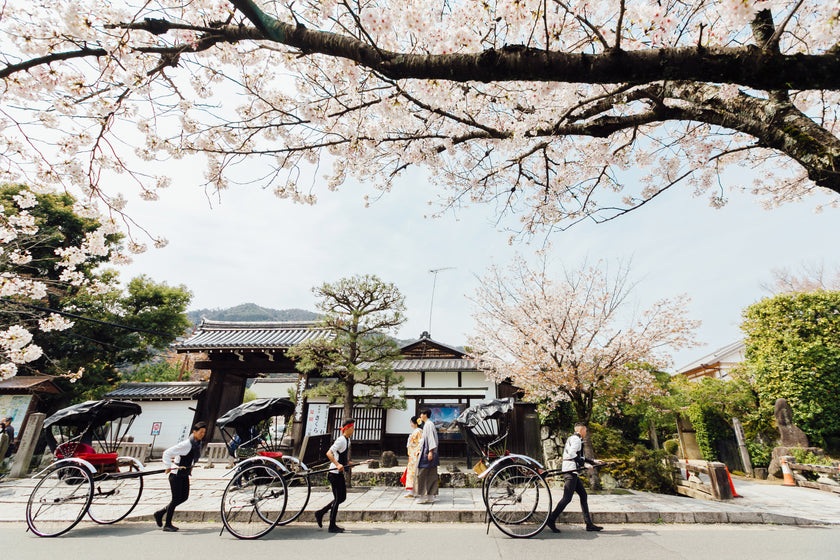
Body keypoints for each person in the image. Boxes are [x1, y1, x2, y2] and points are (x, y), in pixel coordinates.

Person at [546, 423, 604, 533]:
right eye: (585, 430)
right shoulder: (576, 439)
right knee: (567, 498)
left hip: (572, 471)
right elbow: (572, 453)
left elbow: (579, 456)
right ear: (581, 430)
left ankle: (589, 524)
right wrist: (584, 465)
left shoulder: (574, 438)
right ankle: (551, 519)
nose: (586, 433)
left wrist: (593, 461)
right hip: (570, 471)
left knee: (583, 495)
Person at [154, 421, 207, 532]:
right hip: (176, 474)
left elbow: (192, 457)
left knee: (184, 497)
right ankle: (167, 524)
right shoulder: (187, 444)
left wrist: (191, 466)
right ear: (194, 432)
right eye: (200, 432)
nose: (202, 434)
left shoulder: (197, 443)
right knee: (175, 498)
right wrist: (168, 466)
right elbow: (167, 452)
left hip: (184, 473)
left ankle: (160, 513)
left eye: (204, 432)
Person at [314, 419, 355, 533]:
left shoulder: (347, 440)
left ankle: (321, 513)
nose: (353, 430)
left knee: (342, 498)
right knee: (338, 499)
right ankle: (331, 526)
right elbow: (329, 453)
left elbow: (341, 456)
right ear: (347, 429)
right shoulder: (340, 440)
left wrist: (348, 463)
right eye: (352, 428)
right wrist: (337, 464)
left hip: (338, 473)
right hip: (333, 473)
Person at [415, 408, 439, 504]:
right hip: (428, 451)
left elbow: (431, 439)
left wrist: (430, 451)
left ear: (425, 415)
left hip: (428, 452)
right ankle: (430, 495)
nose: (420, 416)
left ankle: (423, 496)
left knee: (422, 474)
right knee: (431, 473)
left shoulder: (428, 424)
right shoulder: (428, 424)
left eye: (421, 414)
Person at [404, 416, 423, 497]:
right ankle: (412, 490)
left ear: (415, 423)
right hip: (414, 454)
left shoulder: (417, 432)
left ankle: (412, 491)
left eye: (411, 422)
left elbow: (418, 443)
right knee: (413, 472)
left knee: (413, 472)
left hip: (415, 455)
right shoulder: (419, 431)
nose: (411, 424)